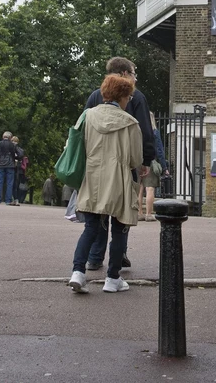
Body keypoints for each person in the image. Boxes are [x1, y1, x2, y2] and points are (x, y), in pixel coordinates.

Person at [68, 73, 143, 294]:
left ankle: (78, 273)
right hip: (118, 179)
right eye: (128, 96)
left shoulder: (87, 116)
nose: (129, 100)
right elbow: (135, 160)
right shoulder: (130, 123)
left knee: (90, 228)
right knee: (119, 230)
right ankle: (112, 278)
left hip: (91, 178)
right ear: (122, 96)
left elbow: (75, 147)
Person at [84, 57, 154, 271]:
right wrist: (146, 160)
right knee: (123, 214)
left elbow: (82, 129)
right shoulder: (136, 97)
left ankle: (95, 258)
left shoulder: (96, 95)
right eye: (133, 73)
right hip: (124, 164)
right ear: (124, 74)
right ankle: (119, 255)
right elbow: (144, 131)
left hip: (97, 165)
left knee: (99, 212)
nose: (134, 78)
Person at [138, 111, 168, 221]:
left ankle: (139, 213)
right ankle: (149, 214)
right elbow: (159, 151)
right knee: (150, 189)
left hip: (138, 162)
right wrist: (164, 167)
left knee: (139, 189)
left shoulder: (138, 131)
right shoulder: (154, 132)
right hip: (150, 161)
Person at [0, 131, 19, 205]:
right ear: (10, 137)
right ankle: (8, 200)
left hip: (0, 165)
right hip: (10, 165)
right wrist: (15, 157)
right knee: (10, 183)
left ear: (3, 137)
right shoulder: (12, 145)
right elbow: (20, 153)